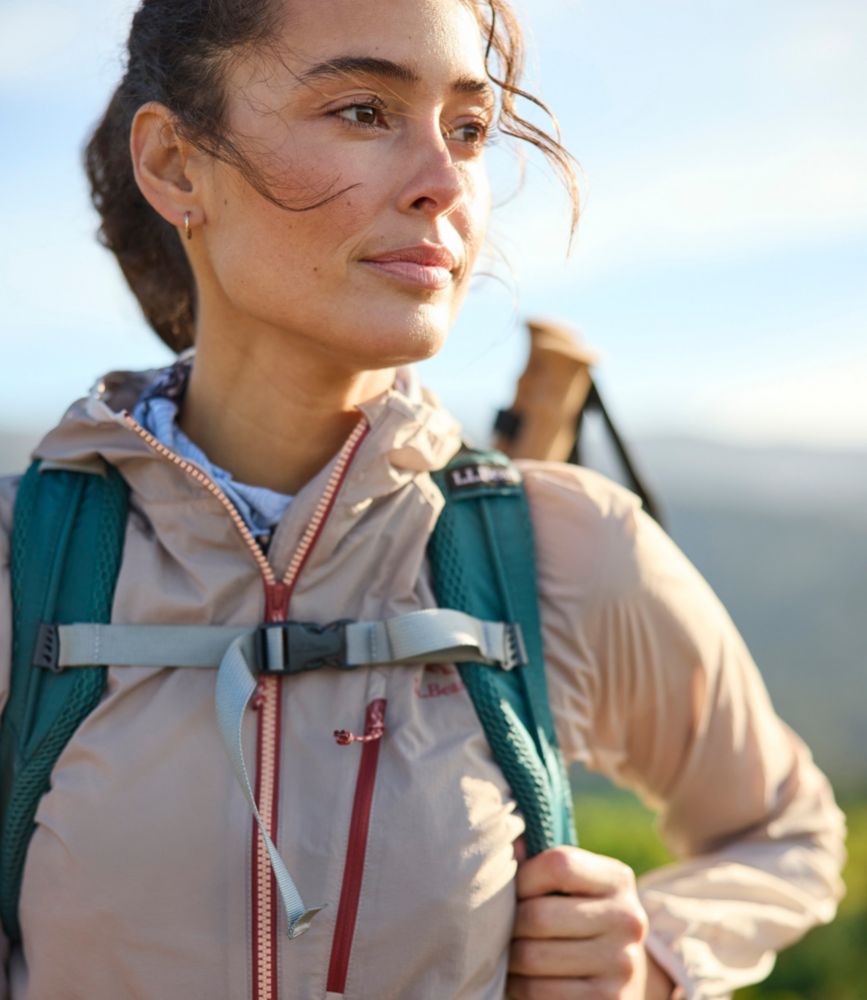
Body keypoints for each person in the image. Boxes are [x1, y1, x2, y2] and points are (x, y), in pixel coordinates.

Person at [0, 0, 845, 997]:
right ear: (177, 166)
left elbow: (786, 833)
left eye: (470, 130)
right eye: (362, 110)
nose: (446, 183)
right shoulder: (28, 556)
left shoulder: (562, 545)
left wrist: (655, 950)